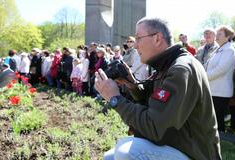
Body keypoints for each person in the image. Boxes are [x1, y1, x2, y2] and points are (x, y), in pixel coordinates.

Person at [95, 17, 221, 160]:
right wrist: (131, 83)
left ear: (157, 38)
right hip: (177, 145)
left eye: (138, 38)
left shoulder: (180, 69)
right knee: (109, 157)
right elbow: (154, 101)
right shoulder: (167, 65)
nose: (135, 45)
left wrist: (115, 99)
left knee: (128, 152)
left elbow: (154, 128)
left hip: (196, 154)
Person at [204, 26, 235, 132]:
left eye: (219, 34)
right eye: (217, 34)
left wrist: (202, 76)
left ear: (227, 37)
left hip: (221, 91)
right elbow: (209, 66)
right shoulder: (219, 49)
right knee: (214, 117)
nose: (216, 36)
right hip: (214, 89)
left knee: (218, 117)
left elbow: (220, 70)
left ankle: (220, 138)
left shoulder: (229, 50)